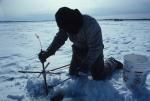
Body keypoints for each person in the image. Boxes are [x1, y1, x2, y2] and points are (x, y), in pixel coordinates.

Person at [39, 7, 123, 80]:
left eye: (66, 28)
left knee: (99, 76)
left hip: (94, 51)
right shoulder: (66, 25)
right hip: (78, 50)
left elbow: (96, 48)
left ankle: (112, 61)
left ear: (72, 22)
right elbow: (59, 39)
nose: (65, 31)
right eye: (63, 29)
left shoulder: (91, 25)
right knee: (73, 74)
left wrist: (85, 66)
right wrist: (48, 52)